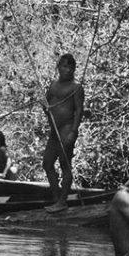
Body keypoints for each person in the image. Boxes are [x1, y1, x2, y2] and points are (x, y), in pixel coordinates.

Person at [41, 53, 85, 211]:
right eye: (64, 66)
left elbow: (79, 110)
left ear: (74, 69)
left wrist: (74, 131)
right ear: (58, 67)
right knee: (47, 163)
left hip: (67, 129)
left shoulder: (76, 87)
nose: (67, 70)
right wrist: (46, 108)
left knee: (65, 164)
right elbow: (46, 104)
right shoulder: (53, 85)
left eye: (70, 67)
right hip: (54, 129)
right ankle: (56, 197)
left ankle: (62, 201)